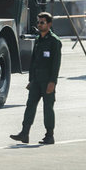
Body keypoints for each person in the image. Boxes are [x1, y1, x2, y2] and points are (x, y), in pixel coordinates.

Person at [10, 12, 62, 145]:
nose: (39, 25)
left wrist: (52, 82)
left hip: (47, 80)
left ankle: (49, 135)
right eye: (38, 22)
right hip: (36, 80)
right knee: (30, 105)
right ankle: (24, 133)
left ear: (49, 24)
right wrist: (31, 80)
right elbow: (34, 61)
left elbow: (56, 64)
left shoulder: (54, 41)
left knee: (47, 108)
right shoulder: (38, 39)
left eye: (42, 22)